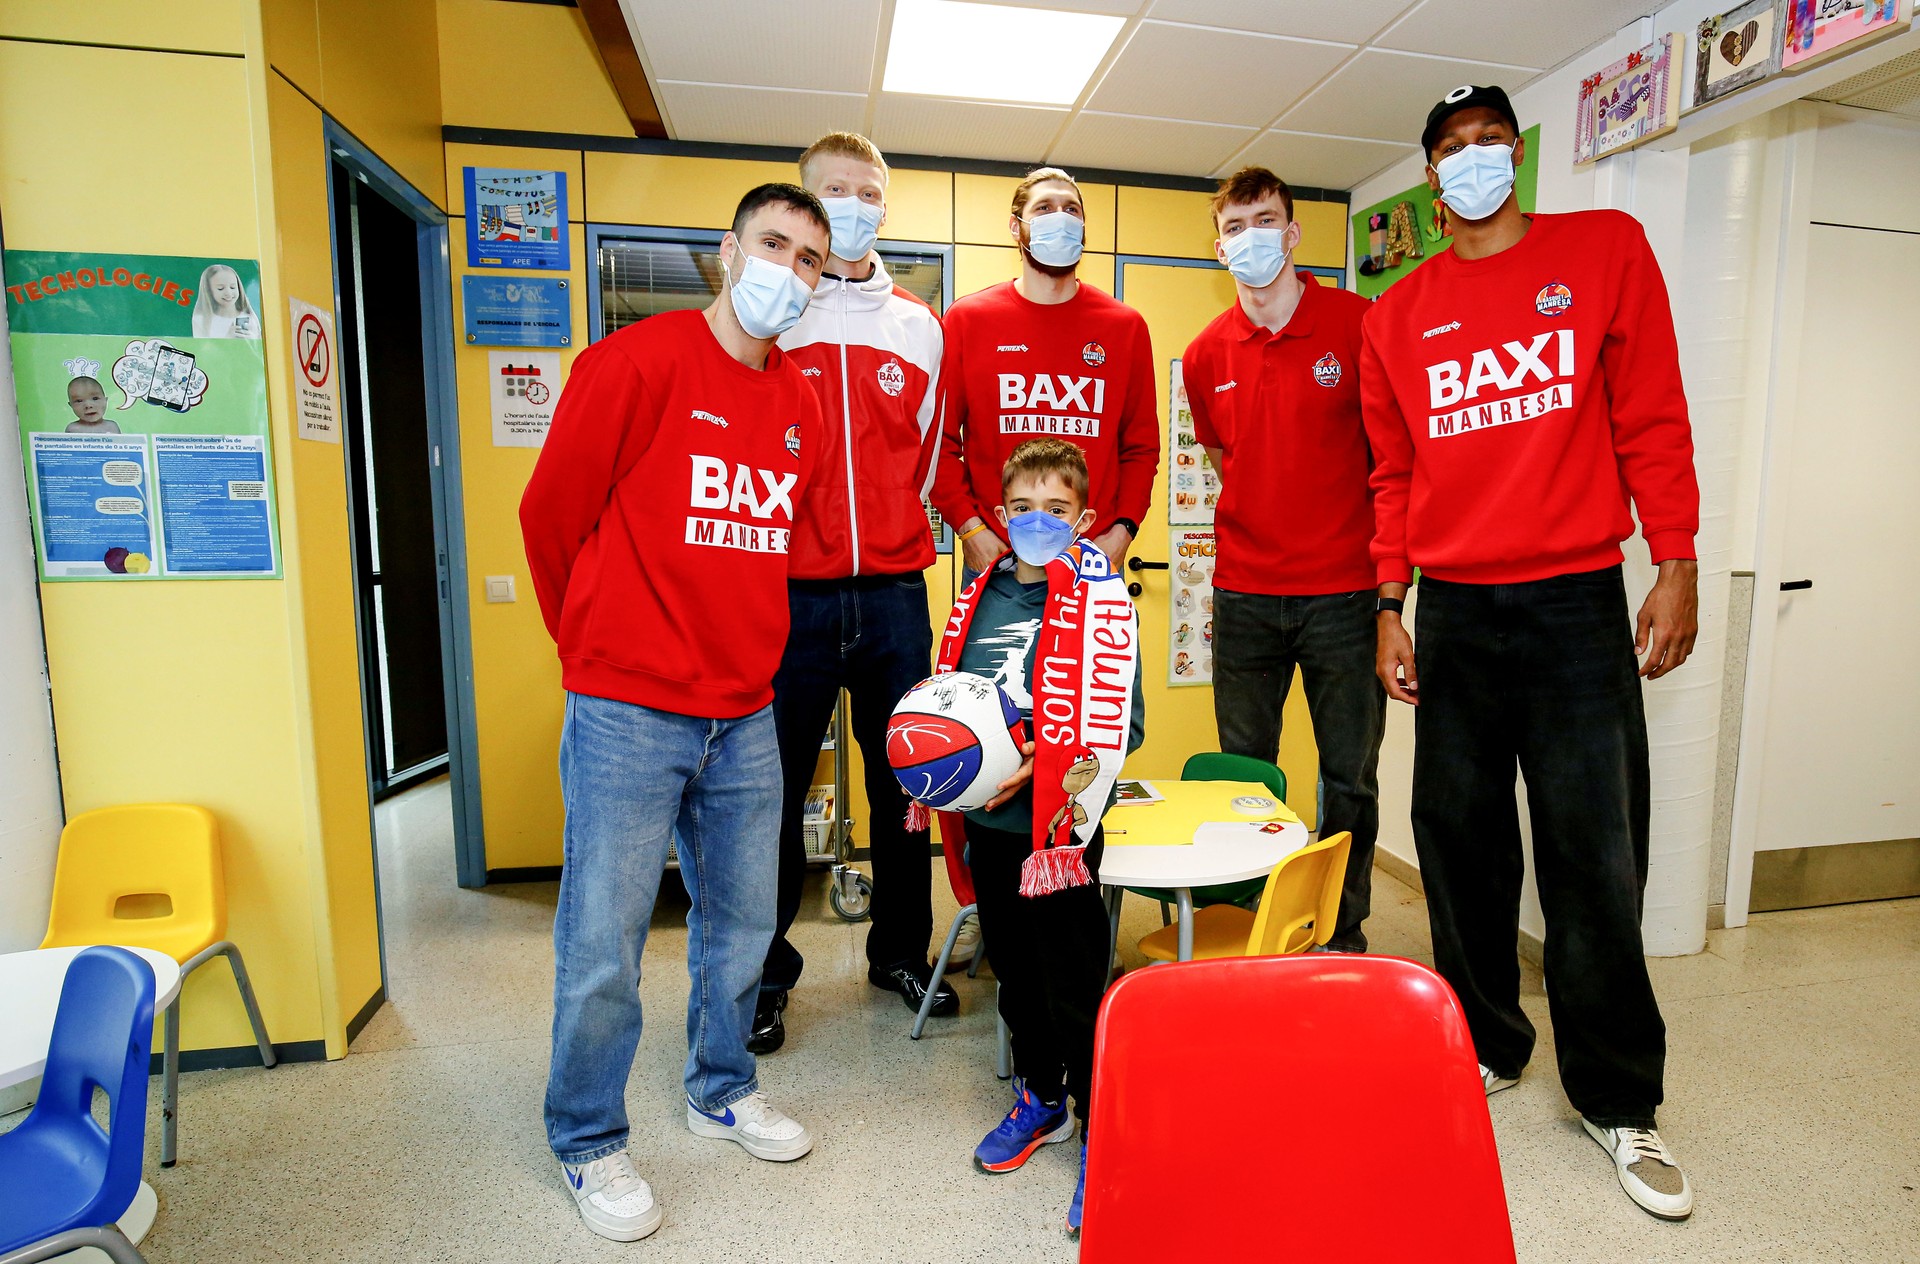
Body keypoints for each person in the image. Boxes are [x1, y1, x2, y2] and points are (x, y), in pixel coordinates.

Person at [1361, 85, 1702, 1222]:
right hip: (1453, 607)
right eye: (1450, 149)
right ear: (1429, 174)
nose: (1472, 162)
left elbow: (1652, 410)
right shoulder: (1396, 314)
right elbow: (1393, 473)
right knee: (1456, 845)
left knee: (1593, 855)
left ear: (1519, 155)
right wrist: (1387, 600)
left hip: (1573, 604)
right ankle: (1487, 1044)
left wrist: (1678, 556)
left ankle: (1619, 1100)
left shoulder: (1603, 250)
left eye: (1489, 144)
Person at [518, 183, 830, 1243]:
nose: (788, 272)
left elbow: (772, 552)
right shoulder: (636, 363)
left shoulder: (797, 404)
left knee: (742, 923)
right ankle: (587, 1135)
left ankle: (719, 1085)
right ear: (726, 252)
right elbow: (550, 513)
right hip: (627, 710)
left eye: (810, 261)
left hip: (745, 709)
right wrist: (595, 647)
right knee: (604, 939)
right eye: (774, 245)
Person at [752, 132, 952, 1052]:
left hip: (893, 595)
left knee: (908, 783)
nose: (851, 204)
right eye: (833, 191)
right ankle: (763, 973)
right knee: (772, 791)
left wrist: (889, 543)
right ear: (806, 202)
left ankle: (899, 952)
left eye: (867, 190)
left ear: (884, 203)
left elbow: (922, 459)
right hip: (788, 596)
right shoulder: (773, 316)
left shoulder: (919, 325)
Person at [941, 438, 1143, 1240]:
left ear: (1084, 520)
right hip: (989, 822)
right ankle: (1042, 1097)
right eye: (1020, 509)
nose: (1035, 522)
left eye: (1055, 511)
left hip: (1057, 829)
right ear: (999, 514)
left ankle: (1103, 1134)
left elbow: (1119, 724)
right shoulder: (976, 594)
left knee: (1073, 984)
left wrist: (1048, 766)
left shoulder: (1104, 604)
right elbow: (949, 692)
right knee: (1017, 978)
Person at [1181, 165, 1385, 951]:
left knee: (1349, 780)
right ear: (1219, 245)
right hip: (1245, 598)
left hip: (1345, 595)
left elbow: (1387, 458)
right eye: (1234, 228)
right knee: (1245, 779)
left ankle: (1342, 928)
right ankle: (1257, 923)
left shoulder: (1357, 326)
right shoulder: (1205, 355)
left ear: (1293, 233)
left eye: (1264, 221)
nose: (1250, 239)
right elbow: (1234, 461)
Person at [931, 167, 1158, 577]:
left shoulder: (1125, 327)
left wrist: (1123, 531)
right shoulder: (969, 320)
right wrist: (969, 529)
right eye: (1045, 208)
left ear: (1084, 230)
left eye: (1071, 210)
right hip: (997, 558)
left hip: (1093, 558)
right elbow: (939, 445)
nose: (1061, 217)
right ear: (1016, 227)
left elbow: (1141, 449)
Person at [190, 264, 258, 338]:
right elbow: (200, 348)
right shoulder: (201, 320)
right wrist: (226, 339)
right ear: (209, 291)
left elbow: (259, 345)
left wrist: (253, 340)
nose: (228, 293)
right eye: (220, 288)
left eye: (232, 287)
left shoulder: (249, 317)